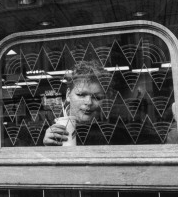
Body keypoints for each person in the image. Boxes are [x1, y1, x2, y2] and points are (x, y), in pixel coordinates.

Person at [43, 60, 178, 146]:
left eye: (98, 97)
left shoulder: (117, 130)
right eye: (81, 95)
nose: (88, 102)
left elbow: (160, 146)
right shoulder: (48, 130)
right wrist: (45, 150)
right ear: (68, 95)